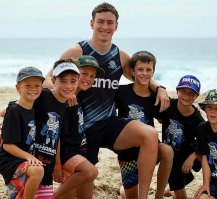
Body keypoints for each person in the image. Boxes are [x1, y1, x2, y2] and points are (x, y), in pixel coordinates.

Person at [44, 3, 169, 198]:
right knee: (82, 190)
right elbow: (47, 80)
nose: (105, 26)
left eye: (110, 22)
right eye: (100, 21)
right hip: (80, 127)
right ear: (92, 23)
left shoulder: (119, 56)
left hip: (108, 123)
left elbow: (140, 75)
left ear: (116, 26)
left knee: (150, 134)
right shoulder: (77, 51)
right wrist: (67, 92)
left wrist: (159, 88)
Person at [115, 51, 173, 199]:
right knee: (130, 196)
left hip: (150, 149)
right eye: (140, 69)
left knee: (167, 151)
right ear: (132, 71)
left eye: (148, 70)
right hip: (128, 152)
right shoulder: (121, 92)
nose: (144, 73)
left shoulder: (156, 97)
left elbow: (168, 117)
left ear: (153, 71)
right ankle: (122, 187)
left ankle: (158, 196)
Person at [53, 55, 104, 199]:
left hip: (80, 152)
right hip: (66, 154)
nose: (88, 78)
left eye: (92, 76)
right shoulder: (60, 97)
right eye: (84, 74)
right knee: (90, 172)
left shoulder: (79, 97)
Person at [34, 59, 81, 198]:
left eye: (73, 81)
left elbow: (57, 137)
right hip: (29, 162)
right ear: (54, 80)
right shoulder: (43, 95)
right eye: (63, 81)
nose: (68, 86)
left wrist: (58, 165)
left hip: (47, 163)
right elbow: (16, 108)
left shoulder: (67, 106)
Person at [0, 67, 45, 199]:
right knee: (37, 170)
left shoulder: (31, 106)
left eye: (37, 85)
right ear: (18, 87)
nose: (33, 89)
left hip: (21, 156)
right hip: (10, 159)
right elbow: (7, 145)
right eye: (28, 85)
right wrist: (29, 157)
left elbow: (5, 110)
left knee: (19, 193)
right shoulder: (15, 111)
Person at [159, 75, 204, 199]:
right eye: (183, 91)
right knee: (173, 177)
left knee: (177, 182)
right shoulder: (168, 105)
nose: (186, 96)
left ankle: (175, 190)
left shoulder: (197, 119)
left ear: (196, 96)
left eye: (191, 94)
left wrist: (192, 156)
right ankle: (173, 190)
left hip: (183, 155)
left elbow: (204, 141)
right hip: (166, 150)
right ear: (177, 91)